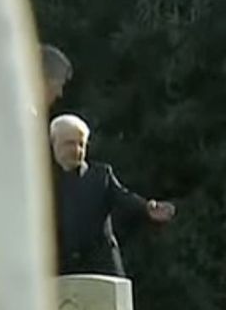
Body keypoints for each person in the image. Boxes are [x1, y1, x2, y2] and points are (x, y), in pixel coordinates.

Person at [50, 114, 175, 278]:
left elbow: (124, 197)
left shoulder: (101, 176)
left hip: (102, 267)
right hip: (60, 269)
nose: (77, 150)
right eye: (70, 143)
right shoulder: (40, 182)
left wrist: (147, 208)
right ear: (54, 144)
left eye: (81, 144)